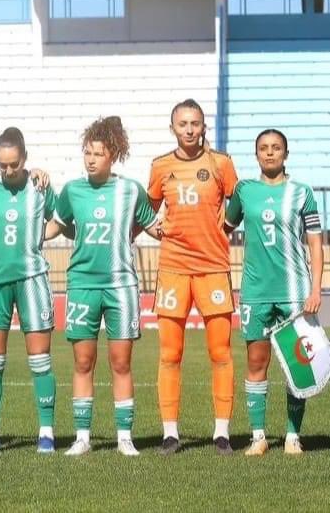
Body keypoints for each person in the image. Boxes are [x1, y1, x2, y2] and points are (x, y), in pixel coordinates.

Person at [49, 116, 160, 457]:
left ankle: (124, 436)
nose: (91, 158)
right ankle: (82, 436)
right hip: (82, 284)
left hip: (121, 286)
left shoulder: (130, 190)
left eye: (98, 152)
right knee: (83, 362)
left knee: (120, 362)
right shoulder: (72, 191)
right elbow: (55, 226)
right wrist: (26, 239)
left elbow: (156, 228)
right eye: (87, 152)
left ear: (114, 154)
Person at [148, 99, 240, 455]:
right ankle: (170, 433)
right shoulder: (160, 167)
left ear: (204, 127)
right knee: (170, 353)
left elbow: (239, 199)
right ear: (172, 127)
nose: (189, 129)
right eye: (183, 123)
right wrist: (153, 228)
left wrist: (227, 224)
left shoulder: (221, 164)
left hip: (213, 268)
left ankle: (222, 433)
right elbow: (147, 205)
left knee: (221, 351)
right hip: (173, 269)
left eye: (196, 123)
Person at [224, 129, 323, 455]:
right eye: (264, 148)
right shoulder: (244, 191)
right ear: (256, 155)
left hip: (295, 292)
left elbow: (314, 242)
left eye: (276, 148)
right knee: (256, 361)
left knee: (298, 365)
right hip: (255, 292)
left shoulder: (302, 192)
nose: (270, 153)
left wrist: (315, 287)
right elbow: (223, 227)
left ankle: (293, 436)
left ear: (285, 153)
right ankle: (259, 437)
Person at [0, 127, 59, 454]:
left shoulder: (41, 187)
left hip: (33, 280)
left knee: (40, 361)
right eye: (2, 165)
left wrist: (37, 235)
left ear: (25, 159)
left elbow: (61, 220)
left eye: (14, 164)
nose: (8, 171)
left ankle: (46, 432)